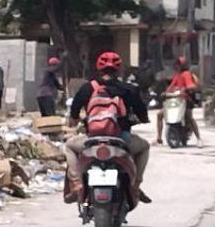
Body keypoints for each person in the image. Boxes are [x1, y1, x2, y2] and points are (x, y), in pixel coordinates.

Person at [64, 52, 151, 204]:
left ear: (98, 68)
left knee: (70, 146)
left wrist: (79, 120)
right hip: (121, 139)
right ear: (119, 69)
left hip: (92, 139)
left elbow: (74, 113)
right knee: (144, 147)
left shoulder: (87, 88)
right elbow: (143, 116)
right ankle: (136, 186)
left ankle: (77, 184)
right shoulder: (129, 89)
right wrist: (138, 120)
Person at [156, 57, 202, 146]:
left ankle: (199, 139)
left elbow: (191, 86)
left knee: (189, 116)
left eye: (179, 64)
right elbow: (171, 87)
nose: (177, 66)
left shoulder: (186, 74)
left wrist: (185, 89)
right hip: (175, 99)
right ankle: (159, 138)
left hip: (185, 100)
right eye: (176, 64)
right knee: (160, 114)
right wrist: (165, 93)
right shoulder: (177, 75)